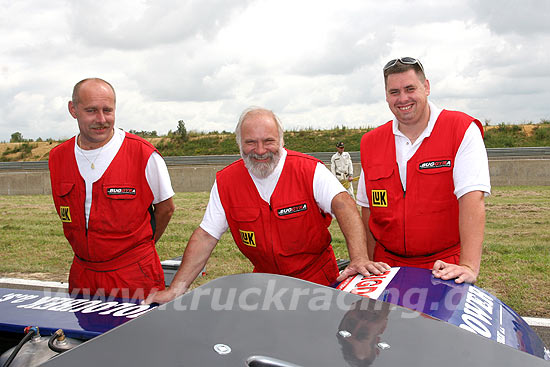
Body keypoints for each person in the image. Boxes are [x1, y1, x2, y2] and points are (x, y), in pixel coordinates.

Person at [145, 107, 389, 304]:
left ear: (281, 141)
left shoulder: (308, 170)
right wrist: (176, 289)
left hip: (317, 283)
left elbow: (344, 205)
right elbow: (206, 236)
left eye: (268, 141)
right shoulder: (227, 182)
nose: (260, 151)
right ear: (239, 143)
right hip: (265, 286)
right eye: (251, 142)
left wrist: (358, 258)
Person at [356, 57, 491, 284]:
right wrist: (369, 261)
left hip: (444, 266)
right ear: (386, 95)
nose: (403, 99)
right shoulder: (371, 142)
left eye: (410, 89)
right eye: (394, 92)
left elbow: (472, 199)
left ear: (426, 87)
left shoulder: (460, 129)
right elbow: (368, 209)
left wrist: (468, 265)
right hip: (387, 266)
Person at [49, 78, 176, 300]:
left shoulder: (143, 155)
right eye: (91, 111)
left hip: (134, 276)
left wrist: (141, 249)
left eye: (107, 110)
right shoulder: (58, 157)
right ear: (73, 109)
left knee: (137, 335)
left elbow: (166, 209)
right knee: (82, 335)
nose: (101, 119)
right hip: (83, 276)